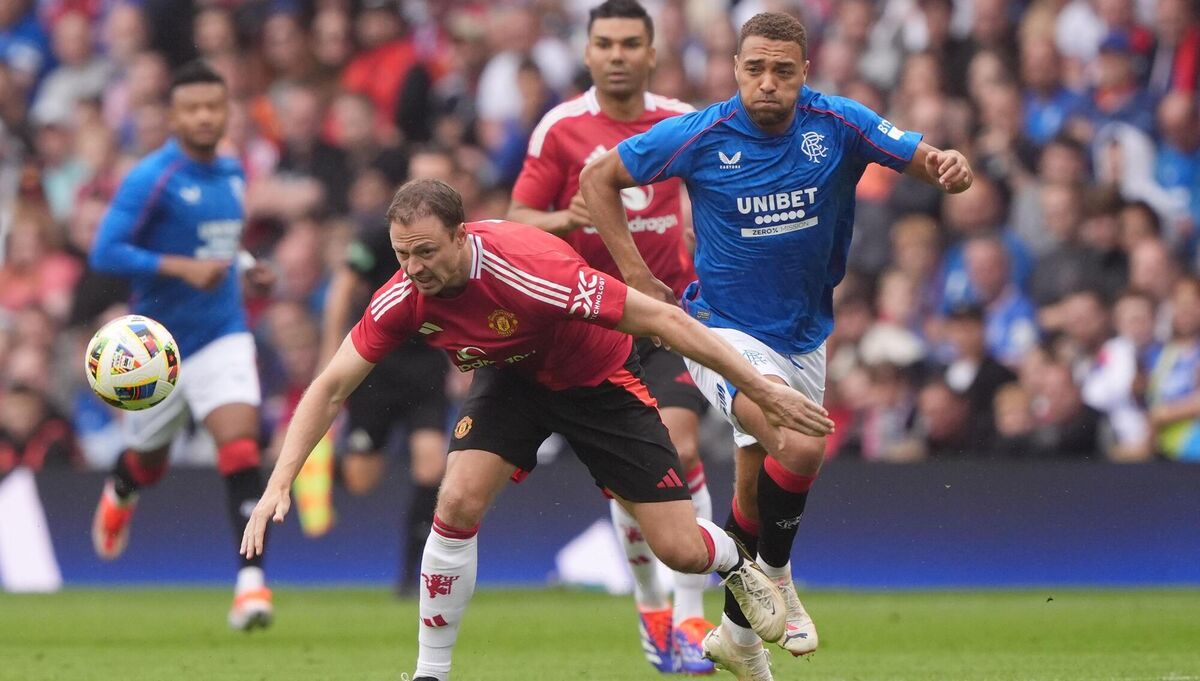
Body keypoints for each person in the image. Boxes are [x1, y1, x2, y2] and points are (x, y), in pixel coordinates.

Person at [241, 178, 836, 681]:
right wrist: (279, 482)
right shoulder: (404, 295)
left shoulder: (531, 272)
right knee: (456, 498)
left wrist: (759, 388)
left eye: (425, 252)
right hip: (512, 381)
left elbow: (659, 318)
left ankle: (735, 560)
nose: (413, 268)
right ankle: (430, 672)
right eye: (403, 255)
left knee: (680, 551)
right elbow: (330, 385)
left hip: (598, 383)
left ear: (460, 235)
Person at [579, 12, 974, 679]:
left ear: (803, 75)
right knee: (804, 440)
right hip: (723, 331)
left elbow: (921, 157)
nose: (768, 83)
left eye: (783, 71)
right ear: (735, 69)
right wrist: (638, 277)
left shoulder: (839, 123)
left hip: (804, 332)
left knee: (758, 492)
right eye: (755, 68)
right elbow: (599, 180)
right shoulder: (701, 133)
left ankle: (737, 638)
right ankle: (780, 578)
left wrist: (947, 167)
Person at [506, 0, 714, 672]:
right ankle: (651, 599)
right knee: (632, 480)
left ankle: (689, 617)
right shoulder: (561, 128)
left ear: (652, 53)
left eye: (631, 43)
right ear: (588, 53)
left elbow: (717, 195)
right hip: (593, 325)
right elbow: (516, 220)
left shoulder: (680, 121)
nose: (618, 54)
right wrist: (565, 218)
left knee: (679, 444)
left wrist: (701, 231)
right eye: (606, 43)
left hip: (672, 317)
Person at [88, 60, 276, 631]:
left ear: (226, 111)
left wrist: (247, 268)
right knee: (149, 462)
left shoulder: (233, 171)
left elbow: (220, 243)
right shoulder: (152, 177)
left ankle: (250, 586)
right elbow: (105, 250)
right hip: (156, 349)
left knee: (240, 447)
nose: (203, 116)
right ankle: (122, 489)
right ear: (172, 116)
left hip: (224, 332)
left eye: (213, 107)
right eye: (192, 108)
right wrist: (178, 268)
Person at [317, 148, 455, 597]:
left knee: (430, 466)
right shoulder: (380, 236)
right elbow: (342, 289)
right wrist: (331, 354)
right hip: (378, 364)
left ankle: (413, 575)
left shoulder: (459, 238)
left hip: (426, 364)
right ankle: (325, 466)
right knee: (361, 479)